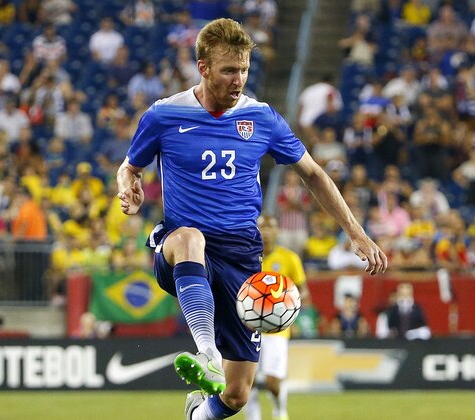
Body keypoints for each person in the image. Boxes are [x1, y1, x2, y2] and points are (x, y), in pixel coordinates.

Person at [117, 18, 387, 420]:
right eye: (229, 70)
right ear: (203, 67)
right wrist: (128, 186)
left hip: (242, 253)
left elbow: (312, 173)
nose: (238, 79)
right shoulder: (164, 115)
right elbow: (129, 166)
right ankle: (206, 351)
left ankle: (197, 414)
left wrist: (356, 232)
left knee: (237, 396)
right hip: (182, 243)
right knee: (190, 237)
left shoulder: (261, 118)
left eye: (243, 69)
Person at [244, 215, 312, 420]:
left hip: (277, 328)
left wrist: (290, 305)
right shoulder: (245, 256)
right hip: (248, 326)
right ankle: (253, 417)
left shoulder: (289, 258)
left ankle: (279, 410)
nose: (265, 231)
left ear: (277, 231)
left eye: (270, 227)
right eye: (261, 227)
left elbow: (304, 292)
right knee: (249, 379)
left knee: (273, 380)